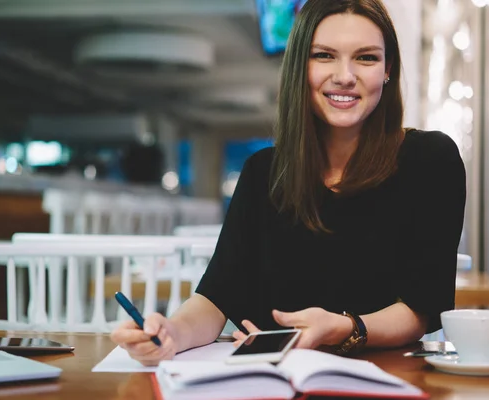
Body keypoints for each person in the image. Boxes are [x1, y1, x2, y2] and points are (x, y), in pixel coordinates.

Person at [111, 0, 466, 365]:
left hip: (388, 377)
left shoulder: (430, 160)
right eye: (324, 56)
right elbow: (216, 298)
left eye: (366, 58)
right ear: (300, 67)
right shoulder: (262, 173)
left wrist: (343, 327)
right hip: (273, 378)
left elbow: (420, 310)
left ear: (387, 68)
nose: (345, 75)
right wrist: (171, 332)